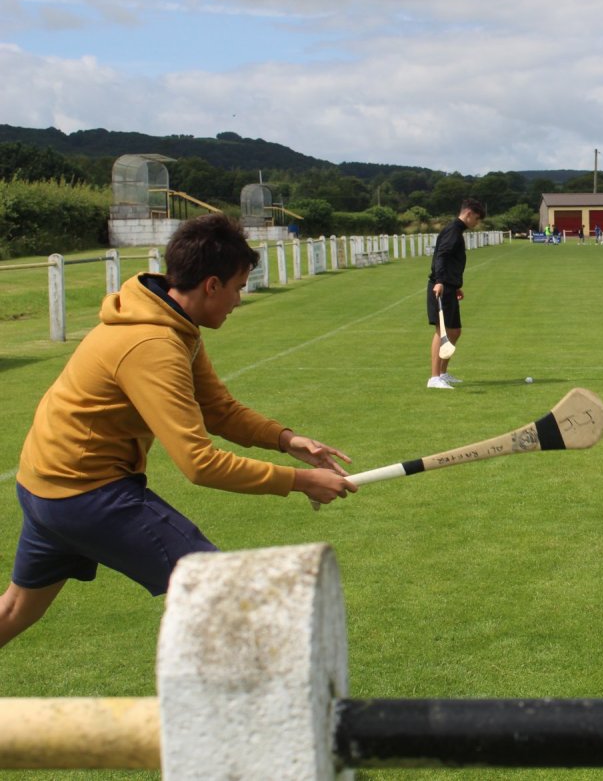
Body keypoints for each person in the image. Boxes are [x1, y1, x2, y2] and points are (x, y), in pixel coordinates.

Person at [0, 214, 354, 650]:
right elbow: (199, 464)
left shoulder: (173, 324)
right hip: (85, 494)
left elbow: (219, 410)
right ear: (211, 285)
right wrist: (301, 481)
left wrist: (286, 440)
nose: (238, 300)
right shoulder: (154, 345)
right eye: (238, 287)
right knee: (222, 591)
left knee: (15, 610)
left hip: (43, 486)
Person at [427, 198, 487, 390]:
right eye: (476, 218)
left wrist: (455, 285)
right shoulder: (453, 231)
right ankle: (434, 378)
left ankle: (443, 373)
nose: (477, 223)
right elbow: (441, 257)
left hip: (450, 287)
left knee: (454, 331)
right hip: (441, 287)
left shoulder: (457, 231)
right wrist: (440, 281)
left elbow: (450, 261)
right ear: (468, 214)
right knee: (442, 330)